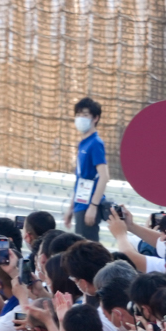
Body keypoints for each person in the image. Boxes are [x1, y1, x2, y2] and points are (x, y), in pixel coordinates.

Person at [67, 97, 107, 242]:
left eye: (85, 115)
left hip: (88, 205)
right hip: (80, 204)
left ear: (95, 118)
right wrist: (71, 208)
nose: (80, 119)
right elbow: (80, 179)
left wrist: (93, 206)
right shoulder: (83, 143)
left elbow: (104, 176)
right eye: (78, 115)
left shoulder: (95, 143)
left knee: (87, 252)